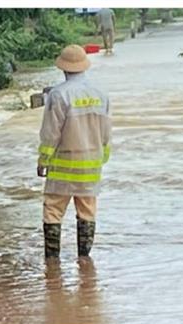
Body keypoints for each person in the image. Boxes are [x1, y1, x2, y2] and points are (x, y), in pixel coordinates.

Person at [37, 45, 112, 260]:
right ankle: (84, 260)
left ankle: (52, 261)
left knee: (53, 210)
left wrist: (43, 159)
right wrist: (100, 159)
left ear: (63, 68)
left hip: (63, 165)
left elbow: (51, 133)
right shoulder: (101, 95)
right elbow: (106, 133)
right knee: (87, 212)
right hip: (91, 165)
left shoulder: (58, 95)